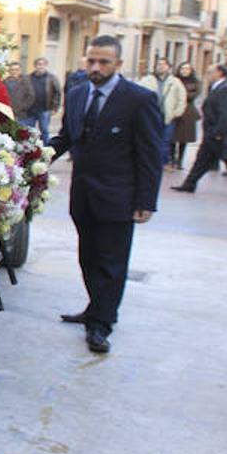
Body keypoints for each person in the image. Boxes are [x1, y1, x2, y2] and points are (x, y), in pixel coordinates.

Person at [49, 36, 163, 355]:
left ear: (118, 65)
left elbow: (151, 154)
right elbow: (66, 137)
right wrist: (36, 156)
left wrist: (145, 201)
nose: (96, 68)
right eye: (92, 61)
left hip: (119, 198)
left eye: (104, 62)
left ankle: (102, 323)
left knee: (112, 263)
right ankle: (95, 307)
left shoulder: (139, 99)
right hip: (83, 195)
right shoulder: (76, 93)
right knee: (88, 257)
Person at [171, 63, 227, 197]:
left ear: (219, 73)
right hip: (212, 134)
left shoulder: (226, 88)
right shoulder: (218, 87)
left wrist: (219, 132)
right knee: (201, 161)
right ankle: (189, 184)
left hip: (221, 135)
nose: (207, 75)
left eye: (209, 72)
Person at [137, 58, 187, 170]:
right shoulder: (147, 80)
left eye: (163, 65)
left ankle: (163, 163)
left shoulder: (175, 82)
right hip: (151, 115)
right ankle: (148, 162)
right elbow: (137, 93)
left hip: (167, 116)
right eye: (158, 64)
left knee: (165, 141)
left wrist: (177, 112)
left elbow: (181, 98)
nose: (160, 67)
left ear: (169, 67)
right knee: (149, 139)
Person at [172, 62, 200, 170]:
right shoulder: (174, 80)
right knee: (172, 138)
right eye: (182, 68)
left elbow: (193, 95)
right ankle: (171, 159)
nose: (184, 71)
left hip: (188, 112)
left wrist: (180, 94)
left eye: (187, 69)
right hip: (175, 110)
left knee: (184, 139)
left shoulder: (195, 82)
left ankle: (180, 160)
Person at [24, 57, 61, 137]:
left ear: (46, 66)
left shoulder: (52, 78)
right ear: (35, 66)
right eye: (38, 64)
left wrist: (55, 108)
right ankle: (29, 148)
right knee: (28, 131)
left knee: (44, 131)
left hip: (45, 109)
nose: (40, 66)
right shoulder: (28, 78)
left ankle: (46, 148)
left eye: (43, 64)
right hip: (30, 110)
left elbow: (57, 93)